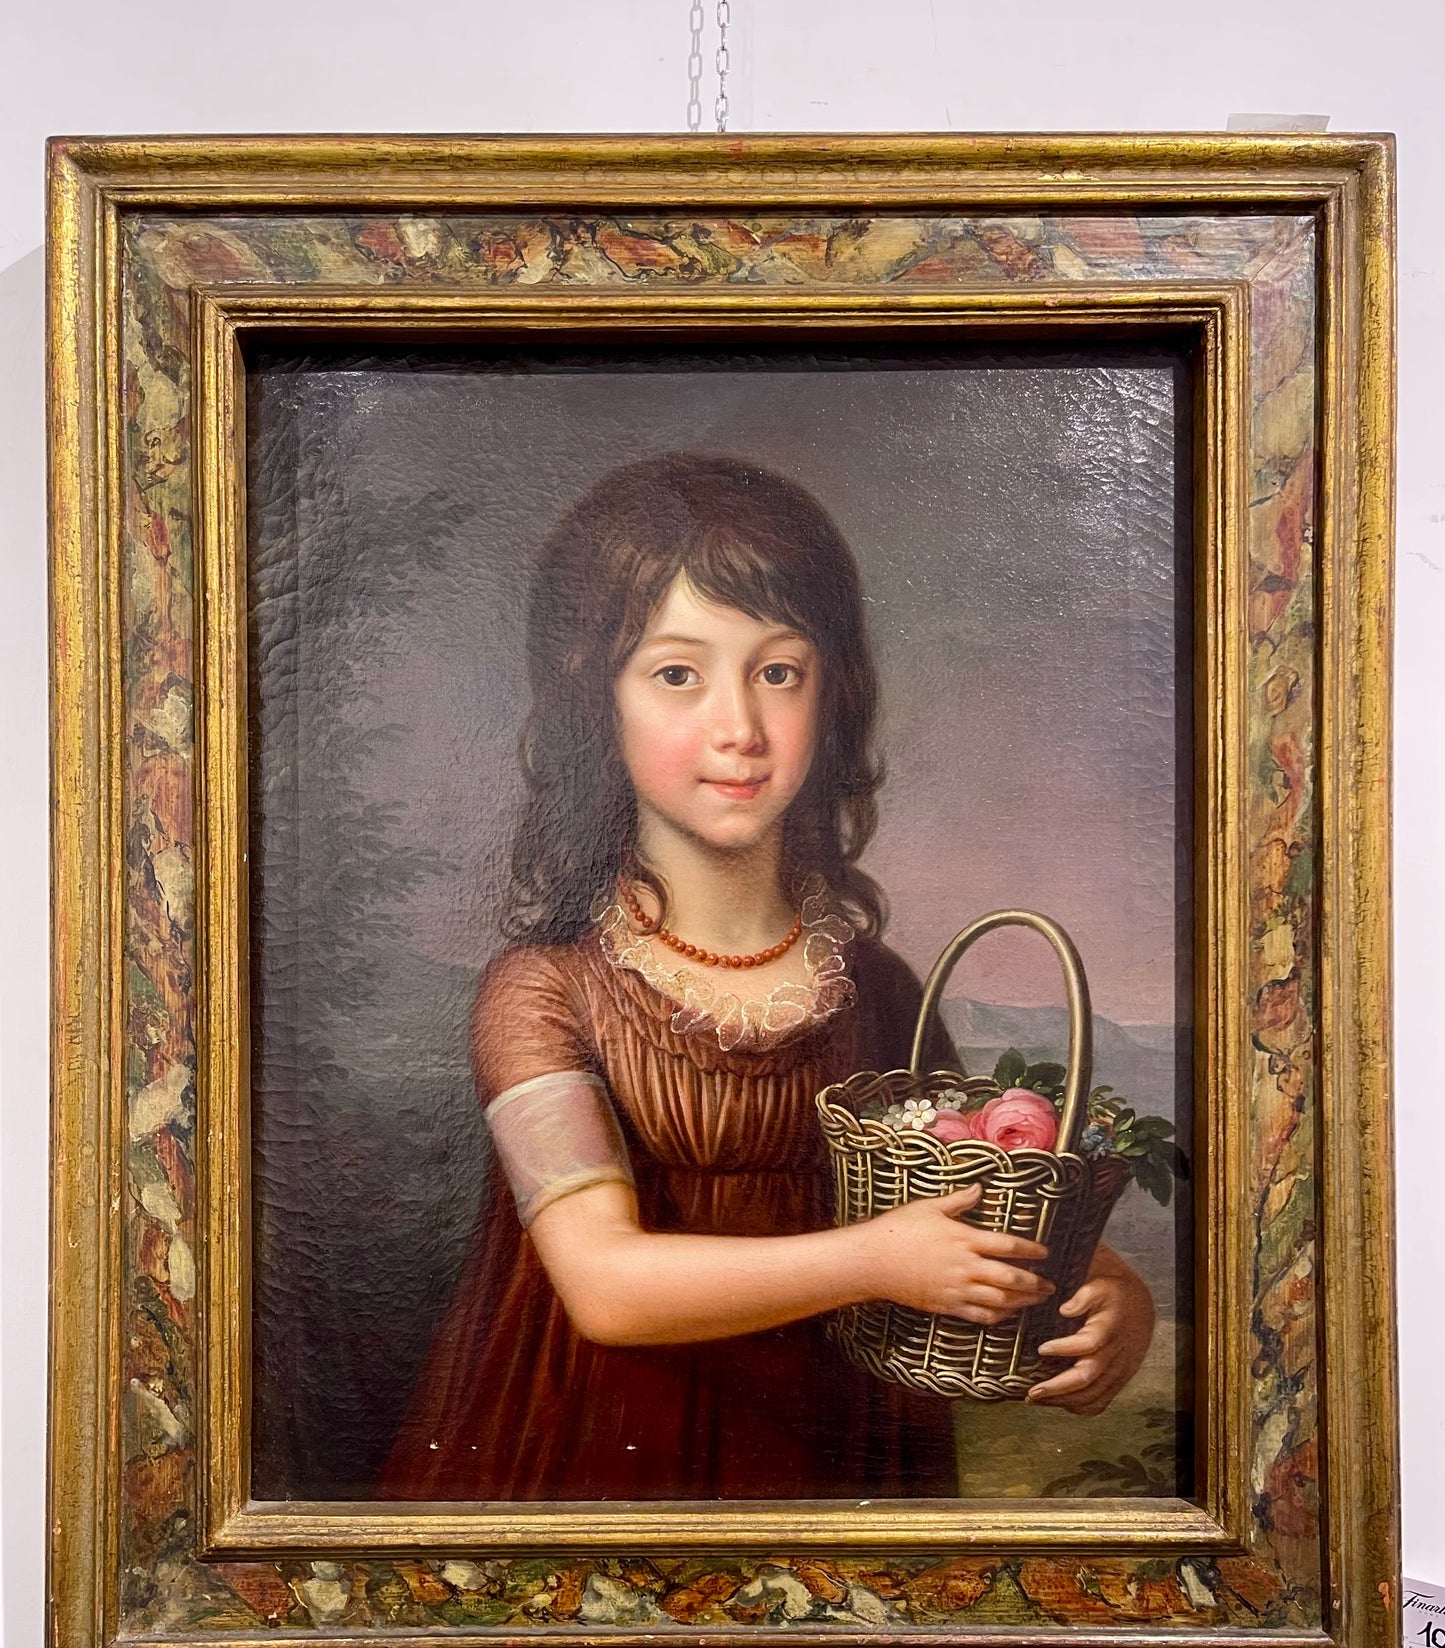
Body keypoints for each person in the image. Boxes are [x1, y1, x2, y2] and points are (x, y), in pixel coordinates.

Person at [380, 453, 1154, 1502]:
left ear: (830, 692)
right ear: (592, 701)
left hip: (838, 1458)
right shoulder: (543, 992)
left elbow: (977, 1202)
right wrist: (871, 1261)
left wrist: (1105, 1293)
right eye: (676, 674)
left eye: (777, 671)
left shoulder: (874, 989)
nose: (738, 726)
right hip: (598, 1458)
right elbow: (604, 1286)